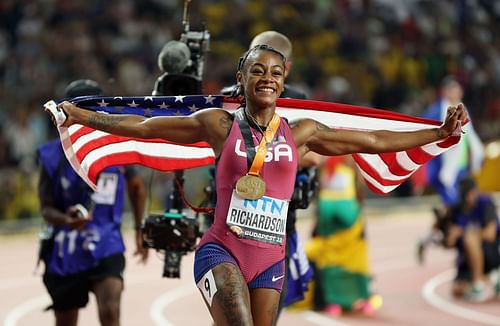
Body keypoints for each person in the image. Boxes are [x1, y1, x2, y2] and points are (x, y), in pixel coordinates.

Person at [48, 45, 466, 325]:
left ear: (283, 83)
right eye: (258, 71)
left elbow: (373, 141)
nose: (267, 77)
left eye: (276, 72)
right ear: (242, 77)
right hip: (220, 250)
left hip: (270, 261)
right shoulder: (218, 124)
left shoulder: (301, 133)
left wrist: (436, 133)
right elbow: (144, 127)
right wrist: (84, 118)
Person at [38, 79, 148, 326]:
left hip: (105, 243)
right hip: (65, 248)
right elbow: (45, 207)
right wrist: (66, 220)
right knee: (66, 320)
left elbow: (138, 186)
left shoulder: (116, 147)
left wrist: (140, 229)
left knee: (110, 311)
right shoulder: (51, 155)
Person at [221, 30, 315, 314]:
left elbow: (316, 153)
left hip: (275, 224)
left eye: (275, 70)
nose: (267, 79)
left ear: (285, 70)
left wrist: (280, 155)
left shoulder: (298, 101)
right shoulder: (225, 100)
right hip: (232, 219)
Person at [417, 76, 484, 263]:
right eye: (455, 89)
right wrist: (424, 172)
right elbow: (422, 137)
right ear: (445, 91)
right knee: (456, 208)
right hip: (445, 173)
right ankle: (448, 242)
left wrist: (474, 162)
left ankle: (432, 239)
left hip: (461, 171)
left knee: (453, 209)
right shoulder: (435, 111)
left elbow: (470, 139)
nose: (458, 92)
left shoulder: (463, 108)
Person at [305, 155, 380, 316]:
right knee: (350, 265)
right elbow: (359, 191)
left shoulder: (330, 163)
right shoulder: (347, 162)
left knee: (336, 265)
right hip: (342, 224)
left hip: (339, 225)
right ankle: (352, 300)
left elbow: (320, 193)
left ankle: (342, 301)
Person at [444, 177, 500, 301]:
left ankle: (478, 284)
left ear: (475, 191)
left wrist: (464, 232)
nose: (468, 197)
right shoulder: (458, 208)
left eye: (470, 193)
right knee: (457, 291)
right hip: (467, 257)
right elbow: (448, 243)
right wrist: (450, 236)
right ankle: (492, 278)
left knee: (470, 238)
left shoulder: (485, 203)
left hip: (489, 251)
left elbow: (491, 234)